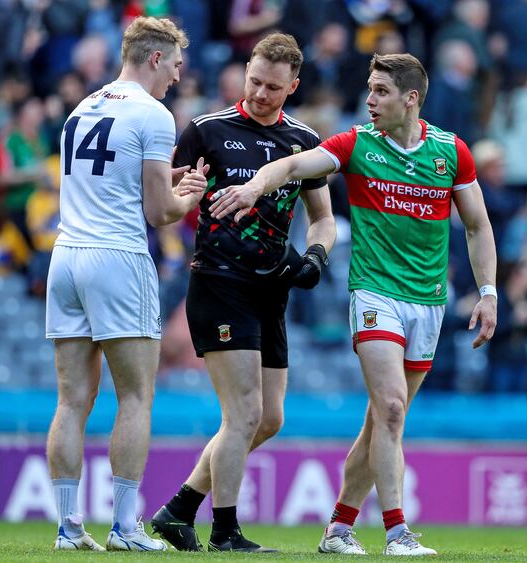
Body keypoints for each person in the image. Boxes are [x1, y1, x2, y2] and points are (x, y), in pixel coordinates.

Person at [210, 53, 497, 556]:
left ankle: (339, 528)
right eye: (368, 89)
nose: (369, 100)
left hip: (427, 301)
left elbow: (477, 226)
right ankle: (397, 532)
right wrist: (257, 185)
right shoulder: (357, 145)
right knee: (389, 408)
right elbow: (299, 164)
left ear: (410, 99)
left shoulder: (451, 152)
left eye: (380, 91)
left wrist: (489, 291)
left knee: (381, 422)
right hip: (374, 295)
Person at [150, 33, 336, 553]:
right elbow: (162, 197)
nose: (258, 93)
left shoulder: (303, 141)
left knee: (270, 418)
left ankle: (179, 509)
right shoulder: (207, 130)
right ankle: (225, 531)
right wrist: (186, 195)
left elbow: (323, 221)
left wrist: (316, 258)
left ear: (292, 86)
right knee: (244, 414)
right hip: (219, 281)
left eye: (272, 87)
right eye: (253, 81)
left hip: (272, 288)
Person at [44, 16, 209, 552]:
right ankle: (124, 527)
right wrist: (193, 195)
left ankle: (69, 529)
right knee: (136, 395)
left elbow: (119, 185)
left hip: (66, 255)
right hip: (117, 257)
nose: (178, 79)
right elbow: (160, 213)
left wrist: (169, 186)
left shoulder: (82, 108)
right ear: (156, 57)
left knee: (72, 401)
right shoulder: (154, 113)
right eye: (177, 65)